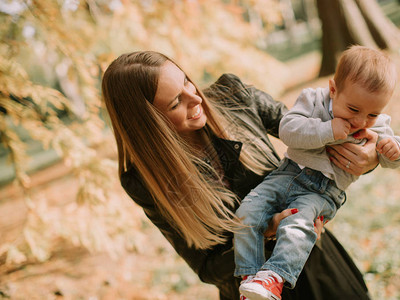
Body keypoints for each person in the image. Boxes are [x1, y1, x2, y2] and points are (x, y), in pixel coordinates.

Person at [101, 50, 379, 300]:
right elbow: (207, 267)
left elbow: (312, 132)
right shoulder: (142, 181)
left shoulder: (234, 96)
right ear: (149, 123)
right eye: (176, 102)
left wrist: (369, 156)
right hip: (248, 292)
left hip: (317, 267)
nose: (196, 97)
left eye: (186, 81)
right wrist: (266, 231)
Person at [234, 46, 400, 300]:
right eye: (353, 109)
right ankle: (250, 280)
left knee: (297, 224)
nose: (361, 121)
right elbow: (288, 130)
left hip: (322, 191)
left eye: (373, 114)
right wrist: (328, 129)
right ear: (333, 89)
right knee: (247, 212)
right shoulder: (313, 100)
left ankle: (275, 277)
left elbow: (391, 153)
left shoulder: (378, 124)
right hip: (287, 174)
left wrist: (395, 150)